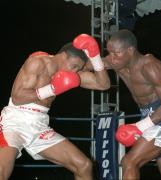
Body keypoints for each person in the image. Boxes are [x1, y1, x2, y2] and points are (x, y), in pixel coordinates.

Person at [0, 35, 110, 180]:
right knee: (2, 171)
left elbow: (103, 85)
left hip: (39, 125)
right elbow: (17, 97)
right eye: (74, 66)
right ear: (64, 56)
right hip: (15, 121)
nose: (75, 72)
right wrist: (52, 89)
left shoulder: (71, 74)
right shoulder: (38, 62)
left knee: (83, 165)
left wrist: (95, 58)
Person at [79, 29, 161, 179]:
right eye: (109, 52)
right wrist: (86, 59)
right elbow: (86, 66)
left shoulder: (151, 66)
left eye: (116, 53)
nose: (111, 58)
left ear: (130, 50)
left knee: (129, 162)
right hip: (149, 115)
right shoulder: (117, 63)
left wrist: (139, 126)